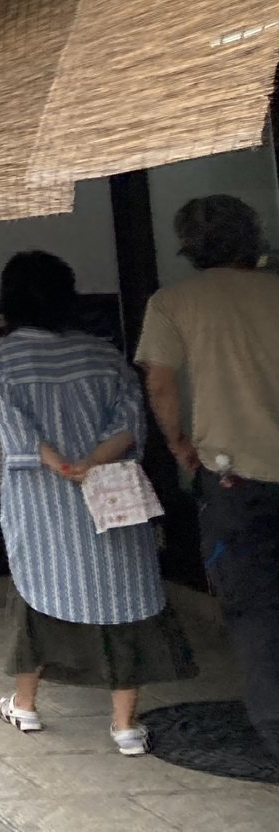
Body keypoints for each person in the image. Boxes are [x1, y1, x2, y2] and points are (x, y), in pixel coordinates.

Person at [0, 250, 194, 755]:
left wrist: (59, 465)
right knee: (125, 600)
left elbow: (16, 429)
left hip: (43, 502)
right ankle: (125, 726)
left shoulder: (4, 357)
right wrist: (93, 462)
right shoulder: (104, 354)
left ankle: (26, 706)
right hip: (112, 499)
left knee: (39, 593)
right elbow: (128, 423)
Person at [136, 194, 279, 757]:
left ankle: (274, 730)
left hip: (232, 478)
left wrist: (177, 445)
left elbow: (161, 383)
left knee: (255, 609)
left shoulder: (174, 303)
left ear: (189, 246)